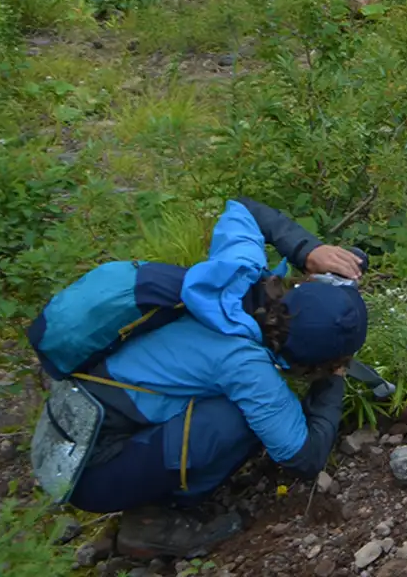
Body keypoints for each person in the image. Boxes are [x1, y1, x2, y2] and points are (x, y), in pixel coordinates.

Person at [63, 197, 369, 558]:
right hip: (93, 472)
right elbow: (304, 456)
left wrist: (307, 249)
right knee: (243, 417)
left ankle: (151, 495)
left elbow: (243, 208)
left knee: (236, 406)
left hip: (73, 429)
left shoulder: (238, 274)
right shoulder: (245, 365)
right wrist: (334, 377)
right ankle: (154, 522)